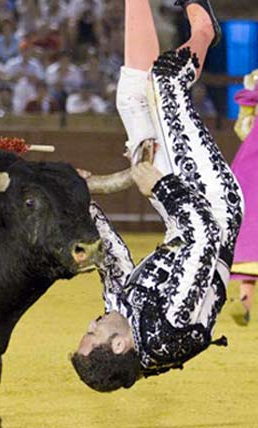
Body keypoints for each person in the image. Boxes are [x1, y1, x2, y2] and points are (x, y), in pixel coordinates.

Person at [71, 0, 244, 392]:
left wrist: (80, 200)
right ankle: (204, 30)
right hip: (213, 206)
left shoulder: (124, 323)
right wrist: (158, 186)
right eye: (93, 333)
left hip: (178, 213)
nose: (91, 323)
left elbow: (113, 260)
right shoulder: (170, 326)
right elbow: (204, 238)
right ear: (118, 345)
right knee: (166, 82)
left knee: (131, 98)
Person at [229, 69, 258, 325]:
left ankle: (245, 302)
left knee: (251, 229)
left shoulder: (254, 79)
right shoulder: (253, 78)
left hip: (253, 162)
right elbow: (243, 129)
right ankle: (244, 303)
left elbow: (243, 129)